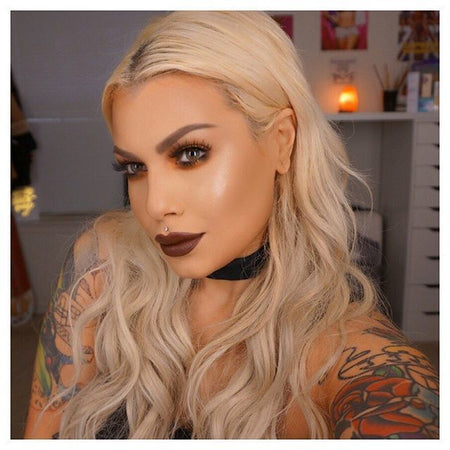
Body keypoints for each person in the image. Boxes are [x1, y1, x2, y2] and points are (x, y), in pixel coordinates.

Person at [24, 11, 439, 439]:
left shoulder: (344, 354)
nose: (156, 205)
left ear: (281, 141)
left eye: (190, 154)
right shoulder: (102, 264)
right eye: (135, 168)